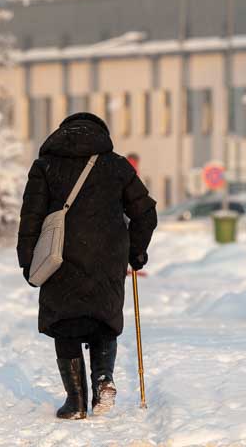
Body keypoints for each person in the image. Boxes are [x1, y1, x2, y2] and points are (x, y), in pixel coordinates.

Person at [17, 112, 157, 420]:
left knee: (64, 322)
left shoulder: (45, 166)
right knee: (102, 320)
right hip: (108, 259)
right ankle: (103, 379)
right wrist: (136, 252)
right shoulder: (117, 166)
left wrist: (28, 262)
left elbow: (31, 217)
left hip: (59, 257)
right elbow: (146, 213)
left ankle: (75, 402)